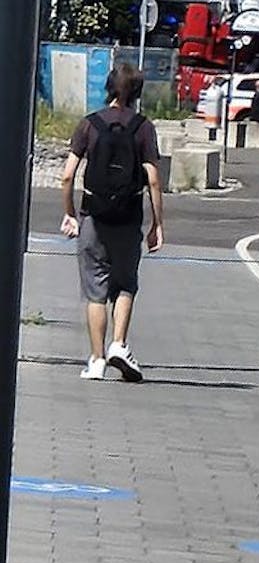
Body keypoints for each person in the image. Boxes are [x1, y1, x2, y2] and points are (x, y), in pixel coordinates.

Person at [60, 64, 163, 383]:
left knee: (95, 290)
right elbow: (154, 179)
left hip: (94, 216)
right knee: (125, 284)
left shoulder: (89, 125)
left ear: (108, 88)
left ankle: (96, 360)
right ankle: (119, 344)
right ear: (137, 93)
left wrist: (70, 213)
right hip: (128, 218)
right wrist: (157, 223)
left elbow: (67, 175)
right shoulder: (143, 127)